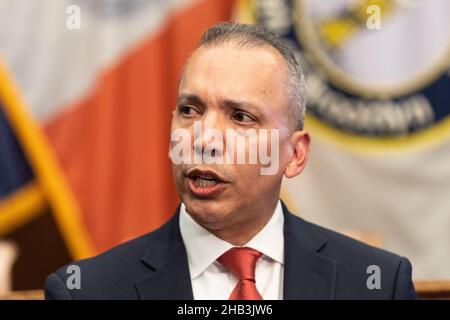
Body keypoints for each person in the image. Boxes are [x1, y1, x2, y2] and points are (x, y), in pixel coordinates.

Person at [45, 22, 416, 300]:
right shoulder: (87, 292)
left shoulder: (376, 283)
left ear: (295, 154)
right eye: (190, 110)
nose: (204, 139)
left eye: (240, 116)